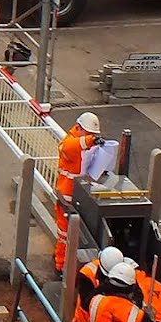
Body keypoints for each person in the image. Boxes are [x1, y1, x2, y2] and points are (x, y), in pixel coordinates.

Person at [55, 111, 103, 272]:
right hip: (66, 197)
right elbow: (68, 148)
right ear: (79, 128)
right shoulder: (70, 143)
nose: (91, 137)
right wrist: (90, 141)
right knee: (64, 234)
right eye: (89, 133)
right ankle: (60, 266)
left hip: (79, 196)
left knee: (75, 234)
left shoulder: (86, 143)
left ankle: (68, 263)